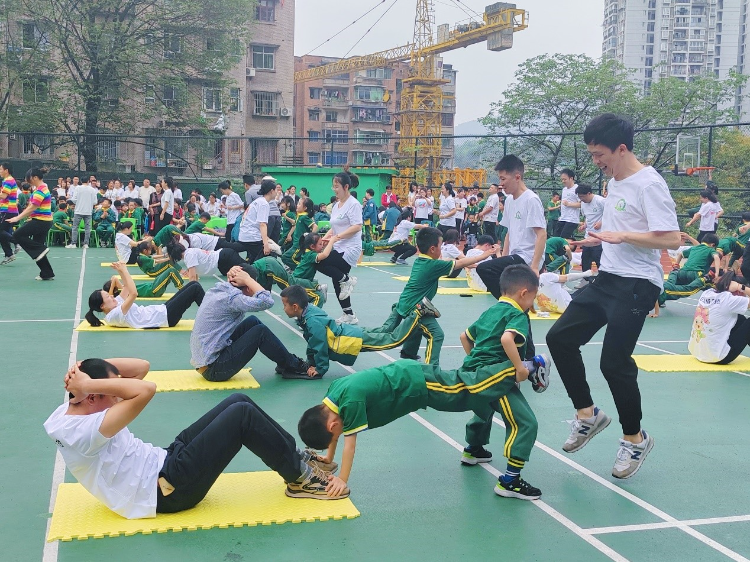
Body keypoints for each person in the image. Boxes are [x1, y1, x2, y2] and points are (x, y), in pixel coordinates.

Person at [297, 265, 549, 500]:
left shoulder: (347, 406)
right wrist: (328, 459)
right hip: (408, 373)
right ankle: (475, 447)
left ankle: (529, 367)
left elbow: (350, 444)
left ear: (331, 425)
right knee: (480, 399)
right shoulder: (334, 395)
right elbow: (334, 432)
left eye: (335, 432)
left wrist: (342, 479)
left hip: (415, 383)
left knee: (462, 390)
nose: (339, 432)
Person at [545, 113, 680, 479]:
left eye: (599, 154)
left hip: (638, 284)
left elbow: (670, 238)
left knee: (613, 363)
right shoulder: (616, 182)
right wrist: (600, 235)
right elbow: (622, 222)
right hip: (608, 277)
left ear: (621, 149)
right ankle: (588, 415)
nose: (595, 162)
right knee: (559, 337)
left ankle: (635, 438)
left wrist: (624, 237)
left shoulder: (649, 184)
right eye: (591, 155)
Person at [45, 359, 344, 520]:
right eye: (113, 397)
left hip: (164, 461)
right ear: (93, 396)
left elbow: (141, 366)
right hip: (167, 491)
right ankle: (300, 479)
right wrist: (90, 382)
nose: (118, 401)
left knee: (238, 400)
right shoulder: (83, 431)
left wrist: (86, 373)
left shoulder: (72, 408)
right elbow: (145, 388)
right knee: (241, 416)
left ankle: (293, 455)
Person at [370, 227, 497, 365]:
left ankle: (408, 355)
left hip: (405, 304)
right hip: (414, 308)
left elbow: (463, 264)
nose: (441, 250)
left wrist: (476, 265)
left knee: (401, 329)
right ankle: (431, 369)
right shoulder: (433, 265)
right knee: (436, 335)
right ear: (432, 249)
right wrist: (486, 255)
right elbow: (460, 262)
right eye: (440, 247)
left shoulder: (421, 261)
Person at [281, 285, 440, 379]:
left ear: (295, 307)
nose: (283, 309)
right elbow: (313, 343)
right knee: (384, 332)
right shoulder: (309, 311)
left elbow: (319, 345)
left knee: (393, 340)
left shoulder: (311, 321)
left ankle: (418, 311)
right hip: (350, 332)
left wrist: (319, 369)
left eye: (285, 305)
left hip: (351, 341)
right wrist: (311, 362)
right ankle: (397, 310)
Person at [190, 264, 309, 382]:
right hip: (214, 369)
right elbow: (267, 301)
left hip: (206, 361)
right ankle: (293, 366)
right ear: (247, 287)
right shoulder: (234, 299)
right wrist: (248, 279)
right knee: (260, 331)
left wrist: (234, 273)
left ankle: (285, 362)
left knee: (253, 321)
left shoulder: (219, 289)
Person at [476, 156, 547, 300]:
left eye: (503, 179)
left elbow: (541, 234)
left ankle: (510, 304)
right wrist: (503, 256)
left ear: (517, 177)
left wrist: (534, 267)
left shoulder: (531, 199)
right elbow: (509, 232)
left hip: (526, 257)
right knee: (497, 278)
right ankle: (514, 306)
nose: (501, 184)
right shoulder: (509, 201)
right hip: (514, 256)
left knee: (485, 268)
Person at [85, 262, 204, 328]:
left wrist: (120, 271)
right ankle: (212, 316)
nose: (112, 296)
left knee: (193, 284)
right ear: (102, 306)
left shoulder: (115, 306)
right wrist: (125, 270)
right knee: (195, 288)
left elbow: (126, 287)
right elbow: (133, 293)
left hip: (162, 310)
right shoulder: (114, 315)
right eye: (108, 297)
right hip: (165, 317)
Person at [318, 170, 362, 324]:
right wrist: (327, 237)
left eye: (337, 186)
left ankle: (347, 279)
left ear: (346, 187)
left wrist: (337, 237)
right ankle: (349, 314)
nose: (334, 189)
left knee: (319, 261)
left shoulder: (354, 204)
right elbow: (335, 225)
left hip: (350, 248)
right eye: (333, 187)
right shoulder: (337, 205)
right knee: (339, 283)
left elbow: (356, 226)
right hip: (338, 244)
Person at [688, 271, 750, 365]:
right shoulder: (729, 300)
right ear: (738, 292)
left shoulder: (707, 293)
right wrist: (741, 287)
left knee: (740, 319)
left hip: (697, 352)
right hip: (718, 357)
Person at [253, 234, 330, 307]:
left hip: (299, 279)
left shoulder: (308, 251)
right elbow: (325, 255)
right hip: (296, 281)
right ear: (312, 246)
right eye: (320, 244)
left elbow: (321, 251)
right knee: (318, 297)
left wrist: (325, 244)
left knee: (304, 295)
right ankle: (318, 288)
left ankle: (304, 310)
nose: (322, 245)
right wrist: (332, 241)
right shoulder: (311, 255)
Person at [653, 233, 720, 315]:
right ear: (713, 245)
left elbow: (681, 254)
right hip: (696, 273)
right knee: (691, 289)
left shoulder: (694, 248)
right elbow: (716, 257)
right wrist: (716, 273)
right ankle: (718, 302)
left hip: (682, 272)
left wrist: (676, 265)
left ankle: (661, 299)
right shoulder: (710, 249)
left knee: (674, 283)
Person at [7, 167, 55, 280]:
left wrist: (17, 218)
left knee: (17, 235)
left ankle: (41, 249)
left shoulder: (41, 190)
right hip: (42, 220)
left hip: (41, 221)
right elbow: (34, 207)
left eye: (28, 178)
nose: (27, 180)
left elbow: (32, 207)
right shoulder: (41, 188)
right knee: (38, 253)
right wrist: (30, 217)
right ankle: (46, 273)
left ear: (35, 177)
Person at [167, 241, 246, 282]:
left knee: (247, 268)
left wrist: (190, 292)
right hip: (221, 261)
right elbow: (195, 276)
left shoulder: (189, 255)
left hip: (224, 257)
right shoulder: (188, 253)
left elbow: (192, 277)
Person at [238, 178, 275, 262]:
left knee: (254, 259)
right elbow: (262, 224)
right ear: (271, 191)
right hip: (252, 237)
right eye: (276, 190)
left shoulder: (258, 201)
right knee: (267, 258)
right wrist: (266, 244)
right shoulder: (263, 204)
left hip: (246, 235)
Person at [575, 184, 605, 271]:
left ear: (589, 193)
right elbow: (587, 218)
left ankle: (603, 279)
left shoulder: (600, 201)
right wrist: (584, 225)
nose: (581, 199)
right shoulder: (583, 204)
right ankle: (587, 279)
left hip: (599, 238)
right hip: (588, 237)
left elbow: (611, 214)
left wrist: (601, 223)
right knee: (585, 262)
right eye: (579, 197)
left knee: (599, 260)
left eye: (582, 196)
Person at [0, 162, 19, 264]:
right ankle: (9, 255)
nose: (0, 172)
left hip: (7, 210)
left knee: (1, 232)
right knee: (3, 234)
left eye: (1, 169)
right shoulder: (8, 180)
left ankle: (17, 242)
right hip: (9, 210)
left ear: (6, 170)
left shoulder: (8, 180)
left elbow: (3, 196)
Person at [555, 168, 580, 239]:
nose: (563, 181)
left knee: (563, 239)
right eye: (562, 179)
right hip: (563, 218)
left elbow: (582, 204)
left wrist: (569, 204)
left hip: (572, 219)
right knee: (555, 238)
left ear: (571, 178)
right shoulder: (564, 189)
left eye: (565, 179)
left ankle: (568, 249)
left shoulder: (577, 189)